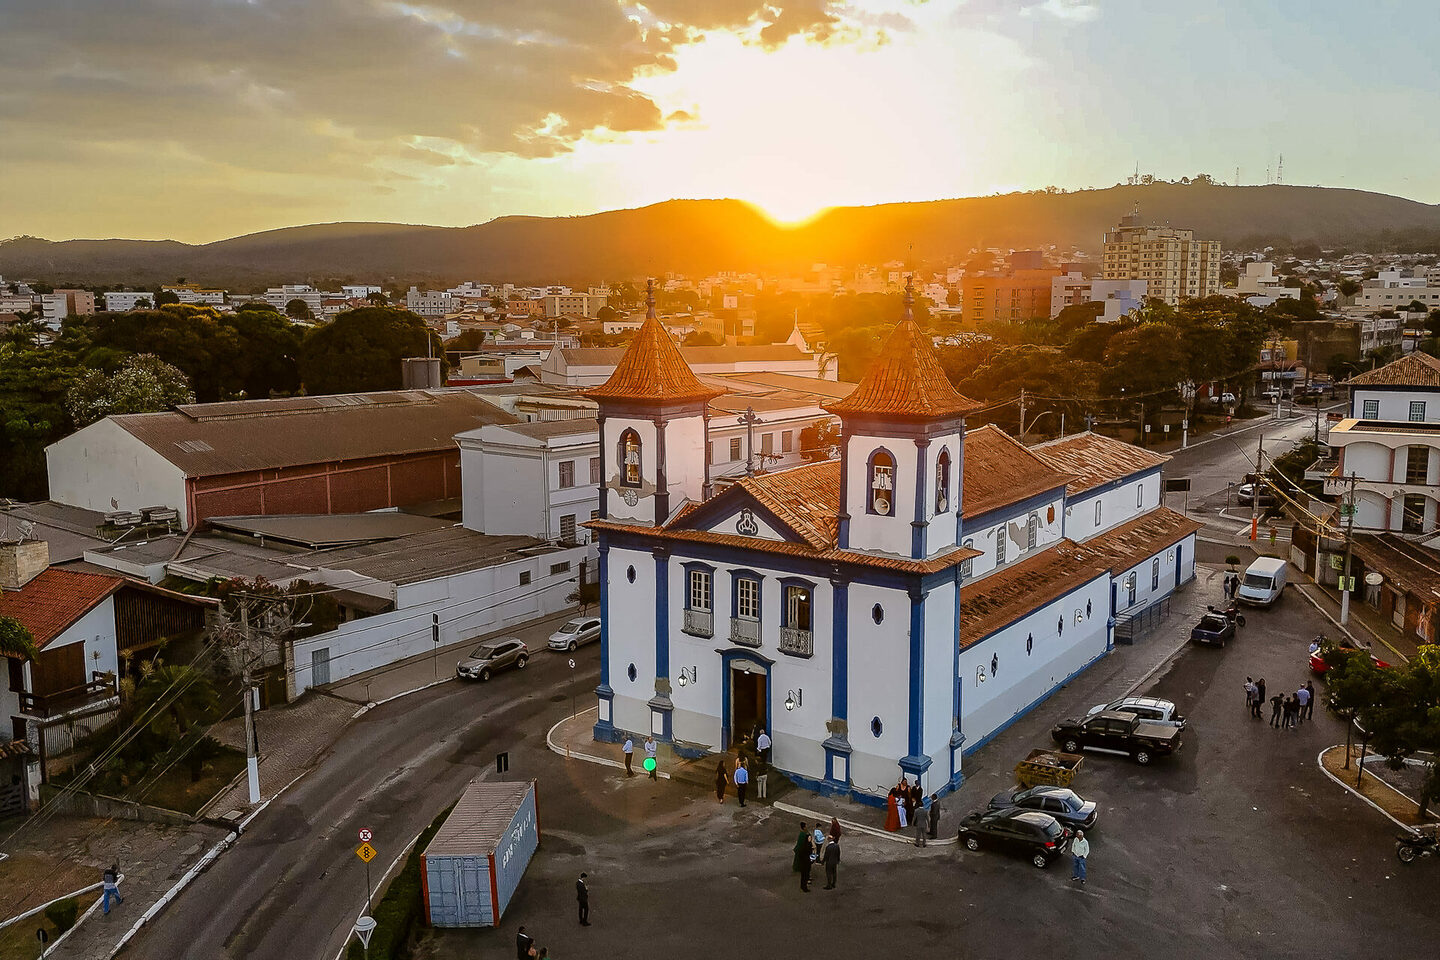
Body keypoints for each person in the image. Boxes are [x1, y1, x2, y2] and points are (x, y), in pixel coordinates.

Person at [793, 822, 814, 892]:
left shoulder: (804, 836)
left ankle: (805, 883)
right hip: (806, 862)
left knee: (805, 874)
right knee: (805, 874)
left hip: (805, 861)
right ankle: (804, 886)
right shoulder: (806, 843)